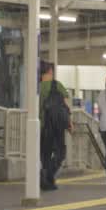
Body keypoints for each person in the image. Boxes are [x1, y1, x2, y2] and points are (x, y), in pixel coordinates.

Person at [39, 61, 70, 191]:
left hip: (42, 125)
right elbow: (66, 106)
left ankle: (47, 180)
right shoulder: (57, 85)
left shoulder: (36, 87)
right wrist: (69, 123)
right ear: (50, 72)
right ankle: (48, 174)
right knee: (60, 153)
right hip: (57, 125)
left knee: (45, 154)